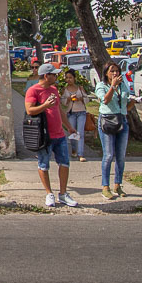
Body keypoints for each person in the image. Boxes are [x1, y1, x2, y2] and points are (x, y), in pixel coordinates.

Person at [24, 63, 78, 207]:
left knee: (65, 163)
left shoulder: (53, 89)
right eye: (54, 74)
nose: (56, 77)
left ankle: (63, 193)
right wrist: (44, 106)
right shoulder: (33, 90)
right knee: (44, 165)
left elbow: (59, 110)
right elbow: (29, 110)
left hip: (59, 134)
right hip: (44, 135)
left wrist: (69, 127)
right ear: (46, 76)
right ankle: (49, 193)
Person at [94, 62, 132, 200]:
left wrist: (133, 101)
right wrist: (113, 86)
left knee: (120, 156)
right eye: (112, 71)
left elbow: (126, 104)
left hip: (122, 119)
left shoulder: (123, 84)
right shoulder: (101, 86)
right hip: (107, 121)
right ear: (106, 73)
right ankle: (105, 187)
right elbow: (105, 100)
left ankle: (118, 184)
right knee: (109, 155)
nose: (115, 74)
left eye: (117, 71)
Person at [62, 69, 88, 162]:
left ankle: (81, 154)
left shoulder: (80, 88)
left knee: (80, 133)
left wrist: (80, 98)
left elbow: (87, 99)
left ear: (74, 78)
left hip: (81, 112)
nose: (69, 80)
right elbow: (63, 103)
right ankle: (74, 149)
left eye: (71, 78)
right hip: (71, 113)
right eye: (67, 78)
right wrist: (69, 99)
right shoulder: (65, 90)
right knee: (73, 133)